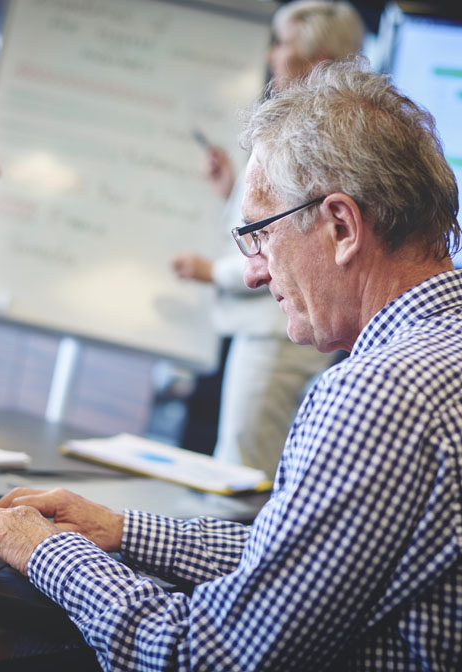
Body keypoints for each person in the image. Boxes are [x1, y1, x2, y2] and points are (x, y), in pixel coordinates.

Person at [0, 61, 462, 670]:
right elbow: (307, 567)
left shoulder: (384, 392)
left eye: (261, 233)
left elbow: (202, 658)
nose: (253, 272)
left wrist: (46, 551)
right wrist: (123, 531)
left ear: (341, 226)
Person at [171, 0, 365, 476]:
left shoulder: (320, 139)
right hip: (265, 331)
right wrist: (229, 191)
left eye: (283, 45)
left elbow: (291, 244)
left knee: (243, 472)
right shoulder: (299, 128)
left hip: (277, 335)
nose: (272, 56)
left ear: (318, 60)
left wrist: (210, 271)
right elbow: (272, 229)